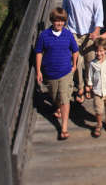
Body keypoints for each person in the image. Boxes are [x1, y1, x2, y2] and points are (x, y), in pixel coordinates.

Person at [35, 7, 79, 140]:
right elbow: (38, 53)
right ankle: (58, 106)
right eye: (56, 21)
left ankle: (64, 128)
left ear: (64, 22)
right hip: (50, 73)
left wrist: (74, 65)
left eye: (61, 21)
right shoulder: (44, 35)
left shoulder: (68, 34)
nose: (59, 23)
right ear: (52, 21)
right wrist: (38, 71)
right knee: (55, 97)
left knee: (64, 99)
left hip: (65, 71)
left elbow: (75, 50)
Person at [62, 0, 104, 103]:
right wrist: (61, 27)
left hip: (89, 33)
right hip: (73, 32)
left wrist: (97, 30)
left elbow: (99, 12)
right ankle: (79, 87)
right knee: (77, 61)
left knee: (89, 61)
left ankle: (88, 84)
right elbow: (65, 10)